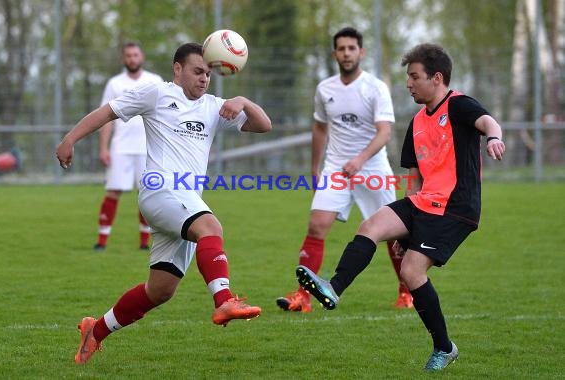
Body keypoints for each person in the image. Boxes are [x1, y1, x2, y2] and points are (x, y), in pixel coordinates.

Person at [56, 42, 272, 365]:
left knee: (160, 290)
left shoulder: (213, 106)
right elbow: (107, 112)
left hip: (185, 200)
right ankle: (224, 300)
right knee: (211, 226)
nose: (204, 79)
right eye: (198, 71)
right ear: (177, 69)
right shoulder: (156, 94)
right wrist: (69, 139)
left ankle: (95, 330)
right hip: (160, 191)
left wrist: (243, 101)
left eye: (209, 73)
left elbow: (263, 125)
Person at [295, 43, 505, 371]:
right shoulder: (418, 121)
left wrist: (493, 138)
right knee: (372, 226)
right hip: (424, 201)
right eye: (408, 77)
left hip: (455, 207)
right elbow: (414, 177)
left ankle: (444, 347)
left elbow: (489, 122)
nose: (408, 83)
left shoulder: (460, 105)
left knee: (411, 271)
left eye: (414, 77)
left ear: (437, 78)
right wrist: (406, 223)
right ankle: (333, 288)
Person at [276, 27, 412, 313]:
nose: (347, 53)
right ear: (334, 53)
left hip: (373, 168)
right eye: (341, 48)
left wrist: (360, 159)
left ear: (361, 52)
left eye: (352, 48)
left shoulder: (375, 87)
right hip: (336, 168)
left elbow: (385, 132)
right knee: (317, 225)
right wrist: (315, 168)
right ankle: (303, 296)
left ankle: (406, 292)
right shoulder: (325, 89)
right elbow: (319, 127)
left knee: (394, 232)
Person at [93, 42, 163, 251]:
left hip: (148, 148)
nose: (132, 58)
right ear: (123, 59)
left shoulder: (155, 81)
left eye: (135, 55)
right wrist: (103, 148)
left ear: (142, 57)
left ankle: (144, 242)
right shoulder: (114, 83)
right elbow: (106, 118)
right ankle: (102, 241)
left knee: (147, 193)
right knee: (113, 191)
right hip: (121, 147)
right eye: (128, 56)